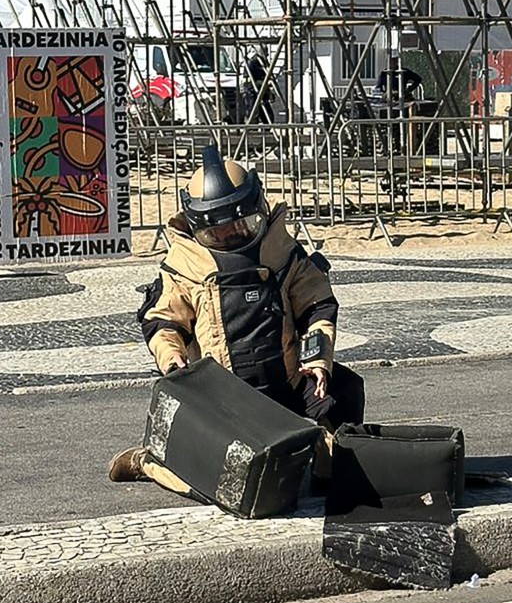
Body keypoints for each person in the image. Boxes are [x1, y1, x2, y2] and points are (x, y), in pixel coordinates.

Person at [108, 145, 363, 487]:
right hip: (224, 397)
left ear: (258, 209)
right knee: (220, 481)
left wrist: (318, 361)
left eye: (242, 225)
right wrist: (173, 361)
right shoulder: (184, 266)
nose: (232, 235)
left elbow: (317, 306)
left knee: (347, 431)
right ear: (198, 227)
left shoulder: (283, 252)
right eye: (218, 233)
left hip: (288, 380)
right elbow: (164, 322)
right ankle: (150, 461)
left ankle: (319, 458)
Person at [242, 49, 275, 125]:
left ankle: (267, 124)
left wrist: (268, 88)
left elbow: (267, 76)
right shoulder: (252, 62)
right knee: (252, 109)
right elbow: (248, 80)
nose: (267, 55)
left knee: (265, 109)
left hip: (262, 89)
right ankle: (252, 126)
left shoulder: (264, 62)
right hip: (252, 90)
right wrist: (263, 83)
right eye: (266, 53)